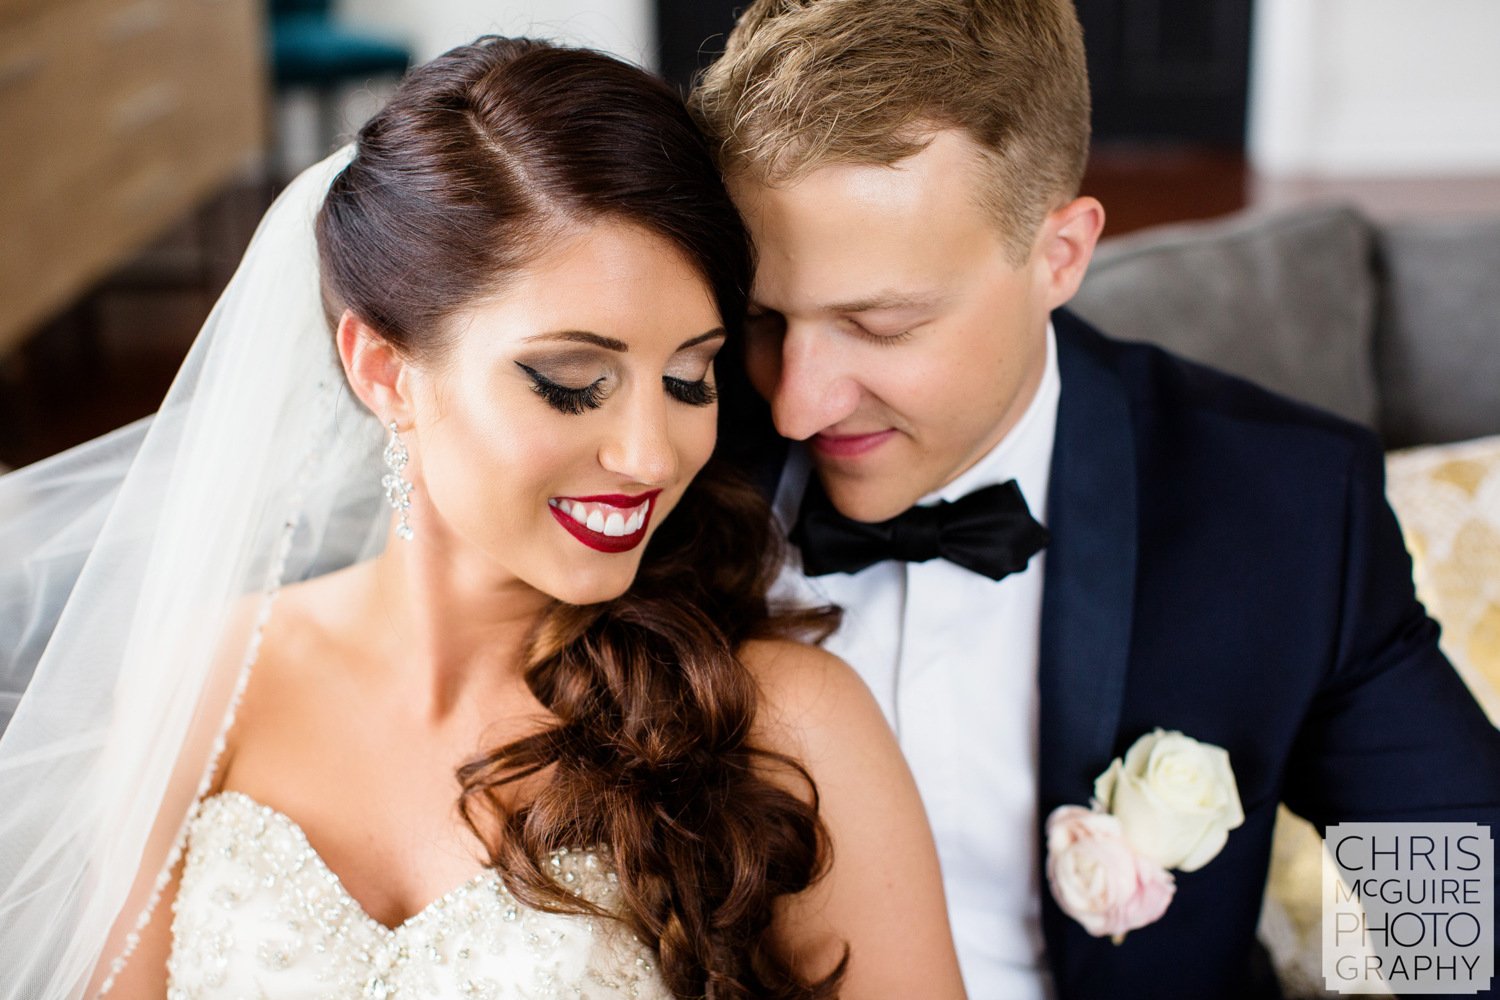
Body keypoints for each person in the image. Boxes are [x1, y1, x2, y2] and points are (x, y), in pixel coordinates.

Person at [0, 37, 968, 1000]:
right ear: (384, 370)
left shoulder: (786, 721)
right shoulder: (209, 682)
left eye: (688, 377)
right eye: (572, 383)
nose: (649, 452)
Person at [689, 1, 1500, 997]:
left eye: (882, 324)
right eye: (766, 316)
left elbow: (1461, 911)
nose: (798, 398)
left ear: (1060, 256)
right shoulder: (663, 463)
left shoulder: (1280, 508)